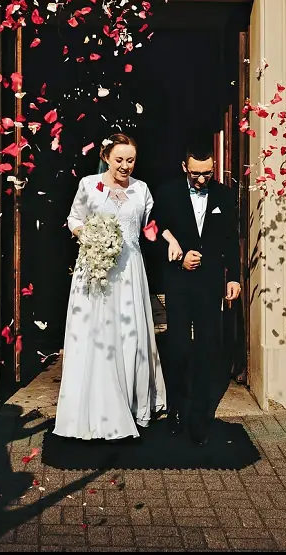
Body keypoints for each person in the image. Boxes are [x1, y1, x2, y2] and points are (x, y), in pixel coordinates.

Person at [52, 133, 168, 441]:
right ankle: (95, 407)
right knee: (97, 334)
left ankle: (132, 403)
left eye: (131, 160)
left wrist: (171, 240)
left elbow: (151, 227)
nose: (125, 166)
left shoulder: (141, 189)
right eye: (119, 160)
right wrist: (89, 237)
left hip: (130, 270)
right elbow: (74, 219)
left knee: (130, 334)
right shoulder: (88, 185)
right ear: (106, 157)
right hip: (95, 269)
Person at [149, 140, 241, 445]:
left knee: (206, 347)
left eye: (207, 173)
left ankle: (200, 415)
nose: (201, 179)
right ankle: (177, 408)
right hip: (178, 281)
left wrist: (234, 278)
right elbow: (151, 231)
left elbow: (230, 239)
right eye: (195, 174)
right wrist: (176, 254)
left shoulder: (224, 195)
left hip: (210, 282)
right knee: (177, 346)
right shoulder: (167, 193)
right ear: (184, 167)